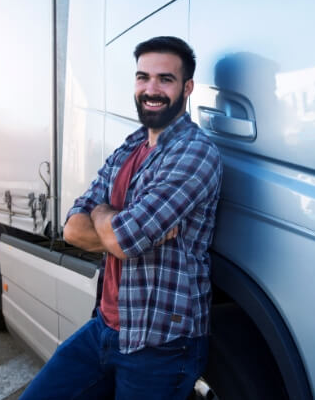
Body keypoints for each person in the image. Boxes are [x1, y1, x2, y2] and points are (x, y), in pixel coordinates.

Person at [20, 36, 222, 400]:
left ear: (187, 87)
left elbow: (123, 241)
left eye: (165, 79)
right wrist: (111, 219)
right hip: (105, 328)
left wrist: (106, 219)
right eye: (143, 77)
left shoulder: (195, 152)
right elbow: (72, 228)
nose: (151, 89)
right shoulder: (129, 147)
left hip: (159, 345)